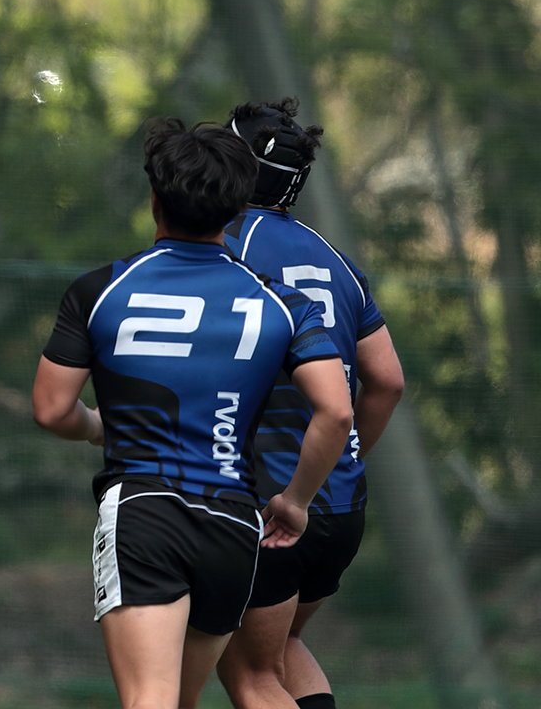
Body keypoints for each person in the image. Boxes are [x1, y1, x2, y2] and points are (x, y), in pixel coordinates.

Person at [31, 119, 355, 709]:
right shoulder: (283, 303)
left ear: (155, 200)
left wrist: (96, 427)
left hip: (145, 514)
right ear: (236, 211)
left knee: (150, 698)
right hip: (233, 527)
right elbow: (335, 412)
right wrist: (295, 501)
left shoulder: (100, 290)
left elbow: (52, 409)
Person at [216, 100, 405, 709]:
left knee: (251, 673)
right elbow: (387, 381)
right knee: (283, 650)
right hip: (340, 502)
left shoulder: (226, 249)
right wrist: (332, 460)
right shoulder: (335, 260)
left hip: (270, 502)